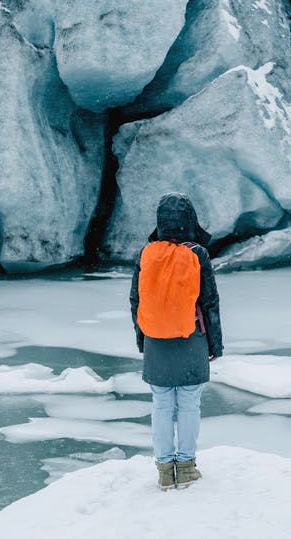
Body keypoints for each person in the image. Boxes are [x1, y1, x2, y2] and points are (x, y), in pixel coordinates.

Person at [129, 193, 224, 491]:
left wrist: (143, 339)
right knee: (188, 404)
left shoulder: (146, 253)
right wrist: (215, 345)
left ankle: (163, 471)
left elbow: (136, 300)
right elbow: (209, 303)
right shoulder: (198, 253)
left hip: (156, 338)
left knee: (160, 404)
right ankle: (185, 469)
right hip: (190, 337)